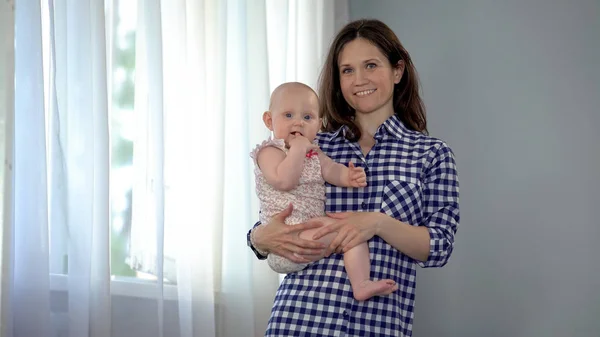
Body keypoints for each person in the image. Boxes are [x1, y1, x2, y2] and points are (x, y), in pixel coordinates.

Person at [246, 19, 460, 337]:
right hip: (297, 319)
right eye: (347, 70)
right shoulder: (313, 144)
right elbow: (274, 210)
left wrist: (376, 223)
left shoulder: (431, 154)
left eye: (370, 65)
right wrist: (257, 240)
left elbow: (439, 246)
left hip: (377, 326)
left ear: (397, 71)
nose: (359, 79)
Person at [251, 81, 398, 301]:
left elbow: (330, 170)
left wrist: (348, 177)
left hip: (310, 229)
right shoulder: (270, 152)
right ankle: (361, 283)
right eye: (288, 115)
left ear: (319, 124)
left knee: (352, 233)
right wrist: (298, 150)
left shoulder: (314, 152)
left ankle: (361, 283)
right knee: (349, 233)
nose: (298, 122)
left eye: (307, 117)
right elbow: (284, 181)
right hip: (286, 239)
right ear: (269, 121)